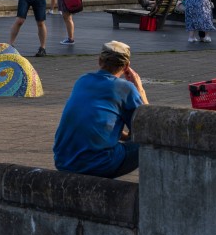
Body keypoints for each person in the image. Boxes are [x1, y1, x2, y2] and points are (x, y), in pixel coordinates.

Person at [53, 41, 148, 178]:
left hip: (63, 161)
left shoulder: (83, 80)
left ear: (99, 61)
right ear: (126, 66)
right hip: (99, 164)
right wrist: (140, 90)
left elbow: (94, 120)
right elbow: (148, 124)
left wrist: (126, 137)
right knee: (150, 143)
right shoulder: (125, 88)